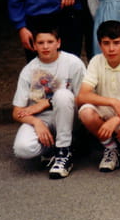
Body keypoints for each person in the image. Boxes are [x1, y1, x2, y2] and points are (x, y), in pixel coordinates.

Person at [11, 27, 87, 179]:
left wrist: (48, 102)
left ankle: (63, 152)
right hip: (42, 119)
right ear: (34, 45)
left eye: (50, 42)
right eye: (40, 43)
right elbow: (16, 111)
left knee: (62, 95)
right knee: (22, 149)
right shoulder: (28, 70)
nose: (45, 46)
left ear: (58, 43)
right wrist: (36, 123)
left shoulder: (73, 63)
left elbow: (84, 98)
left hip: (69, 115)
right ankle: (53, 148)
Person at [76, 20, 120, 172]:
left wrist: (116, 120)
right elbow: (82, 96)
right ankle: (111, 148)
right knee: (85, 112)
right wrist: (112, 102)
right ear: (99, 44)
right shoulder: (96, 61)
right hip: (105, 109)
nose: (111, 48)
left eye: (116, 43)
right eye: (106, 43)